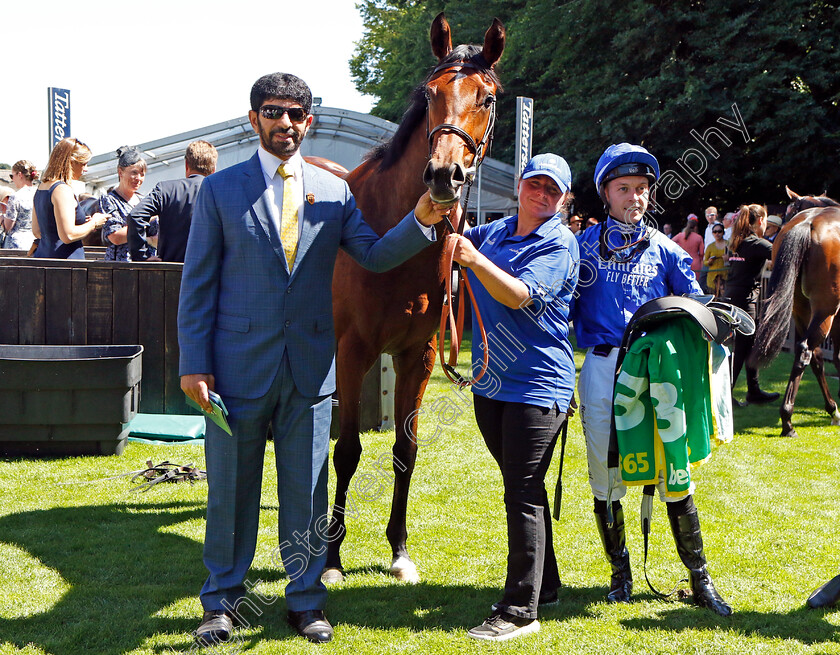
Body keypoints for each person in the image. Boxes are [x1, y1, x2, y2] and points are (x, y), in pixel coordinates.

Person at [178, 72, 452, 646]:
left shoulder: (335, 195)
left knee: (306, 491)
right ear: (255, 119)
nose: (286, 123)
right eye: (274, 112)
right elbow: (197, 287)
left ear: (310, 121)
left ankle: (305, 600)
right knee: (231, 490)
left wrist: (424, 218)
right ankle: (222, 601)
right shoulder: (220, 192)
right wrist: (194, 365)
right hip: (233, 369)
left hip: (310, 370)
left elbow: (375, 256)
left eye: (297, 113)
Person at [572, 143, 731, 616]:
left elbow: (696, 307)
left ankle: (699, 580)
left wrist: (721, 318)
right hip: (602, 368)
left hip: (657, 374)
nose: (635, 197)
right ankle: (619, 574)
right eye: (624, 189)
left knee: (674, 474)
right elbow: (557, 310)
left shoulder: (667, 249)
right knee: (605, 475)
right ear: (606, 193)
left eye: (642, 189)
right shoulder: (580, 249)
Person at [443, 154, 579, 641]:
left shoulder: (559, 243)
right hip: (492, 385)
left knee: (520, 491)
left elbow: (519, 295)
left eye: (552, 190)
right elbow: (448, 233)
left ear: (563, 198)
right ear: (520, 187)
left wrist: (473, 260)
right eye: (534, 185)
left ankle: (520, 611)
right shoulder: (498, 232)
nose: (541, 194)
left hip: (539, 386)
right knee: (528, 488)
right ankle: (546, 587)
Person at [724, 204, 779, 405]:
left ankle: (753, 391)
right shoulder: (757, 244)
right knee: (743, 348)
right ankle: (726, 393)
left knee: (748, 347)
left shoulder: (737, 241)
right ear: (761, 221)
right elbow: (782, 255)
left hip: (731, 297)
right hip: (745, 302)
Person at [128, 140, 218, 262]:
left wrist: (141, 257)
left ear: (186, 165)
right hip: (209, 273)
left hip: (168, 271)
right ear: (213, 169)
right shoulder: (221, 192)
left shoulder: (165, 189)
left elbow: (135, 216)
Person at [32, 138, 108, 259]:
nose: (86, 168)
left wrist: (81, 225)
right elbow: (68, 235)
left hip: (43, 258)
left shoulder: (42, 187)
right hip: (66, 265)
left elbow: (37, 231)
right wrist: (94, 223)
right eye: (83, 163)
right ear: (71, 162)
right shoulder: (62, 190)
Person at [100, 146, 147, 261]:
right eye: (134, 173)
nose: (138, 178)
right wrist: (147, 221)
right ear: (120, 172)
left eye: (142, 174)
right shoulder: (109, 200)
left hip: (145, 264)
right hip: (120, 268)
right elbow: (115, 236)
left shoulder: (144, 200)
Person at [2, 160, 38, 250]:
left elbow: (8, 226)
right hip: (37, 243)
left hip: (17, 244)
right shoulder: (40, 193)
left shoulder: (15, 197)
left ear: (20, 175)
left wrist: (2, 218)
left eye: (12, 176)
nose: (12, 179)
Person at [671, 216, 705, 283]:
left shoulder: (680, 235)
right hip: (695, 263)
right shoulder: (698, 237)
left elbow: (670, 242)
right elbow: (701, 253)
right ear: (695, 227)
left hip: (683, 261)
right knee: (696, 283)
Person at [703, 222, 729, 297]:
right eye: (715, 232)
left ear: (723, 232)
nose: (717, 234)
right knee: (713, 298)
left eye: (719, 231)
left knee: (724, 298)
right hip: (712, 277)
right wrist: (709, 262)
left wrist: (728, 259)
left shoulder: (728, 244)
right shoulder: (710, 246)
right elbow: (705, 262)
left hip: (725, 275)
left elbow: (735, 258)